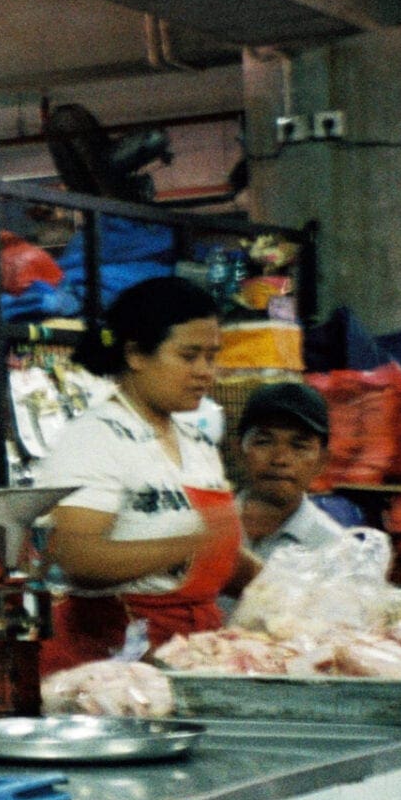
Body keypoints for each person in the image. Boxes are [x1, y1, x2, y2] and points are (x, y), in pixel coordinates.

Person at [40, 275, 257, 672]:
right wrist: (189, 543)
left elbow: (219, 555)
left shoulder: (195, 441)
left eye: (212, 357)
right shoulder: (96, 438)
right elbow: (75, 556)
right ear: (137, 355)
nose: (205, 372)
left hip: (191, 648)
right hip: (112, 656)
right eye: (189, 356)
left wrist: (294, 591)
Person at [234, 381, 354, 561]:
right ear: (238, 452)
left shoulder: (335, 551)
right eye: (264, 442)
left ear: (322, 462)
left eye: (299, 446)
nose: (280, 459)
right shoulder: (201, 527)